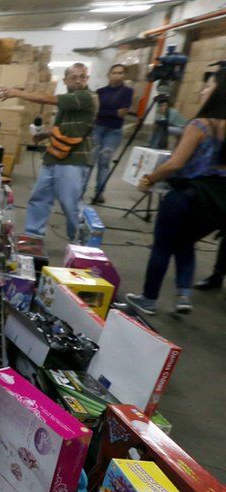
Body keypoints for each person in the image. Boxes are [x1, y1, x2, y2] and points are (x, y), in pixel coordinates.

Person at [126, 68, 226, 315]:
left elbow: (175, 164)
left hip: (186, 195)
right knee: (185, 243)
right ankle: (184, 295)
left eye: (209, 86)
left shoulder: (201, 125)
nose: (202, 90)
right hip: (215, 203)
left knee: (162, 246)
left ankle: (148, 299)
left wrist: (149, 178)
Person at [0, 64, 96, 242]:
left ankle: (78, 241)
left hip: (74, 160)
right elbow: (62, 127)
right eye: (73, 77)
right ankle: (33, 236)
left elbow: (47, 99)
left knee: (70, 204)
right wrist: (44, 134)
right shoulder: (70, 99)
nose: (78, 80)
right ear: (65, 80)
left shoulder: (86, 97)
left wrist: (17, 93)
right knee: (39, 198)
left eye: (82, 77)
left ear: (87, 79)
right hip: (53, 157)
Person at [87, 64, 134, 204]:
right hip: (97, 129)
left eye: (120, 73)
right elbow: (95, 111)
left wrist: (105, 111)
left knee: (104, 163)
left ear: (124, 75)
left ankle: (99, 193)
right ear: (109, 75)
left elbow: (123, 112)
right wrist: (113, 112)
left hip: (113, 132)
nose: (117, 75)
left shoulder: (127, 92)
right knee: (90, 161)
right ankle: (80, 190)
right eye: (114, 72)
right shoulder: (100, 92)